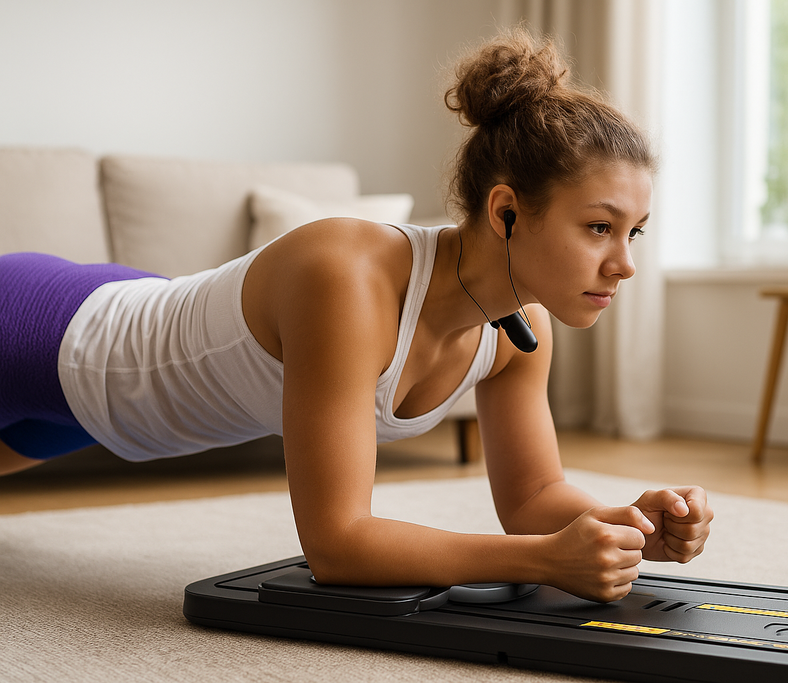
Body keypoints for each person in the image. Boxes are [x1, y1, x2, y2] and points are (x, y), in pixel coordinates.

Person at [0, 29, 711, 602]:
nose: (624, 263)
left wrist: (628, 525)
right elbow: (337, 543)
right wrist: (543, 563)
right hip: (44, 335)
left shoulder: (519, 336)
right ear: (506, 212)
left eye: (634, 232)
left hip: (97, 414)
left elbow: (533, 497)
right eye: (598, 227)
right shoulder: (346, 277)